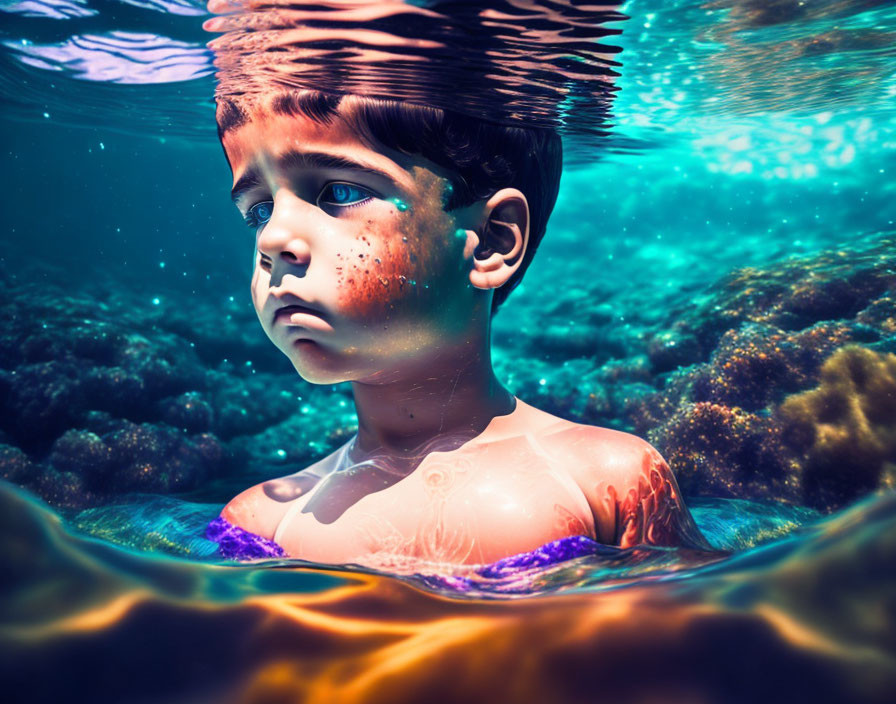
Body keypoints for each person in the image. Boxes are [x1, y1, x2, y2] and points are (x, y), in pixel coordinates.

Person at [207, 87, 712, 571]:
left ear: (491, 241)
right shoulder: (261, 524)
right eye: (260, 210)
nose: (274, 238)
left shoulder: (611, 480)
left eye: (339, 192)